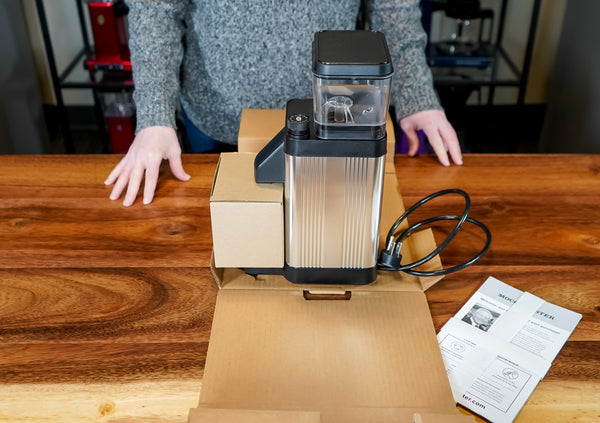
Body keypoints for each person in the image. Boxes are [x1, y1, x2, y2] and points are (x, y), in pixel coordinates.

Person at [105, 0, 463, 207]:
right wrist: (154, 116)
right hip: (216, 116)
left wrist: (416, 96)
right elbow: (157, 10)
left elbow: (393, 9)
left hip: (331, 116)